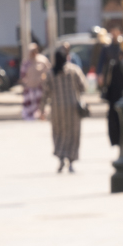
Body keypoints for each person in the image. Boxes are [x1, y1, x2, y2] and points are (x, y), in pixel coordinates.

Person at [46, 44, 85, 173]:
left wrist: (41, 109)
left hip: (57, 109)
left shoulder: (51, 73)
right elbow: (83, 86)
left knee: (59, 133)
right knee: (73, 134)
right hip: (73, 108)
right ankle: (71, 161)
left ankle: (61, 156)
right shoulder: (74, 70)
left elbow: (45, 92)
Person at [19, 43, 49, 120]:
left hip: (40, 87)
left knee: (41, 105)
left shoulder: (42, 60)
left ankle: (42, 117)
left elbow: (48, 71)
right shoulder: (26, 62)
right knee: (29, 107)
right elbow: (23, 75)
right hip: (30, 88)